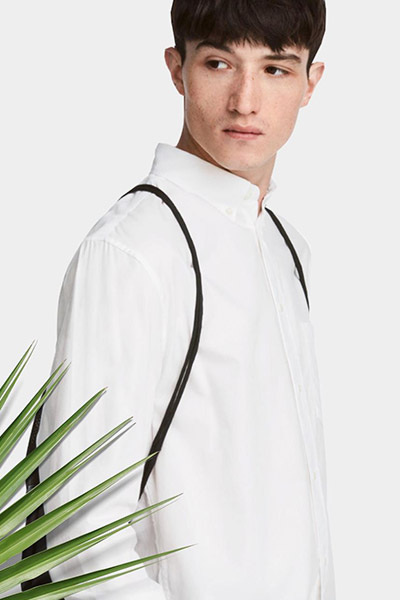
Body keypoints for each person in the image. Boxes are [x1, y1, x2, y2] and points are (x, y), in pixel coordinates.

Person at [27, 0, 335, 598]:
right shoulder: (134, 249)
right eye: (219, 64)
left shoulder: (282, 245)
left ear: (310, 82)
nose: (245, 101)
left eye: (275, 68)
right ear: (177, 69)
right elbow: (81, 536)